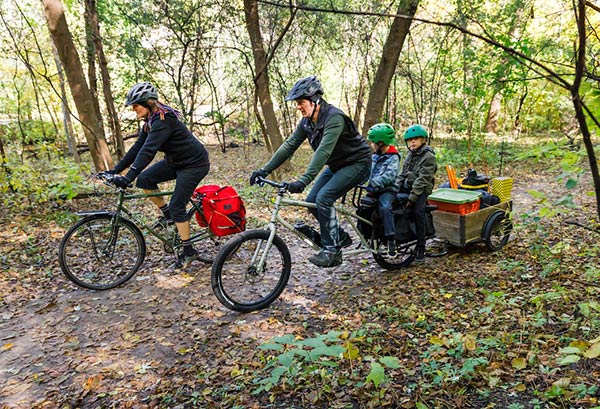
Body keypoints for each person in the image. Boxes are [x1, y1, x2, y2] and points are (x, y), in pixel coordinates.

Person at [250, 76, 371, 268]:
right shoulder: (307, 122)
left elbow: (323, 151)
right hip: (337, 165)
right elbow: (289, 145)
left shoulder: (334, 118)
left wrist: (304, 180)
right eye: (297, 103)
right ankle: (340, 236)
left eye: (301, 102)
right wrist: (265, 170)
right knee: (312, 201)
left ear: (315, 101)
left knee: (324, 198)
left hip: (358, 163)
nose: (298, 107)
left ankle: (332, 251)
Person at [102, 82, 210, 268]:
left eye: (136, 105)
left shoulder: (162, 120)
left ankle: (188, 251)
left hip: (194, 164)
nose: (134, 109)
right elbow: (137, 148)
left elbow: (148, 151)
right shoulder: (150, 122)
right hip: (175, 162)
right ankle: (168, 216)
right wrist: (115, 170)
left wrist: (128, 177)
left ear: (146, 102)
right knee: (145, 179)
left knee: (178, 206)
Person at [396, 124, 437, 263]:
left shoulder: (428, 157)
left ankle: (421, 247)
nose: (412, 142)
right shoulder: (409, 155)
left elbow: (423, 180)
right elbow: (402, 174)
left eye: (416, 139)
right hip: (409, 186)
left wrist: (413, 198)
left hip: (421, 190)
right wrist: (395, 188)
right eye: (410, 140)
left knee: (418, 213)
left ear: (423, 140)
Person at [365, 123, 401, 256]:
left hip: (388, 190)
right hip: (374, 190)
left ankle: (391, 241)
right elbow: (367, 171)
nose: (371, 145)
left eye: (373, 142)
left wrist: (374, 182)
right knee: (363, 207)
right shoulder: (375, 156)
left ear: (381, 143)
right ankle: (368, 236)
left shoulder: (393, 157)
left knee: (385, 207)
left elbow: (390, 175)